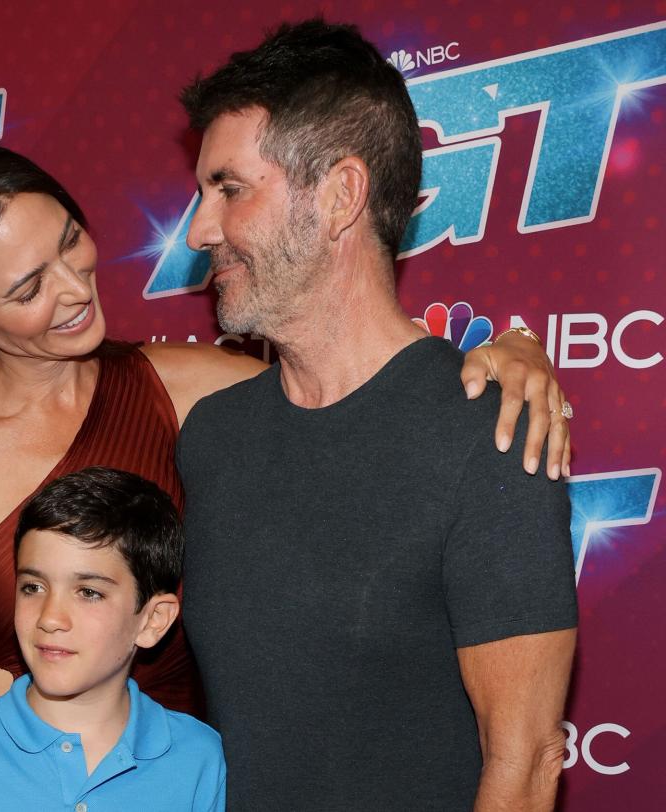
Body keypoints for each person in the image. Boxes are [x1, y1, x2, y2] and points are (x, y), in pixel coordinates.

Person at [0, 138, 564, 811]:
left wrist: (508, 354)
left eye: (70, 239)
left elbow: (353, 390)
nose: (75, 287)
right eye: (31, 284)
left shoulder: (185, 390)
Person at [174, 19, 578, 811]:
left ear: (339, 197)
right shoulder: (212, 438)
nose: (197, 230)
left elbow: (524, 764)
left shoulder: (486, 432)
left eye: (229, 189)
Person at [0, 467, 226, 811]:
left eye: (88, 592)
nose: (49, 617)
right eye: (33, 587)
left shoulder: (197, 758)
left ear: (152, 620)